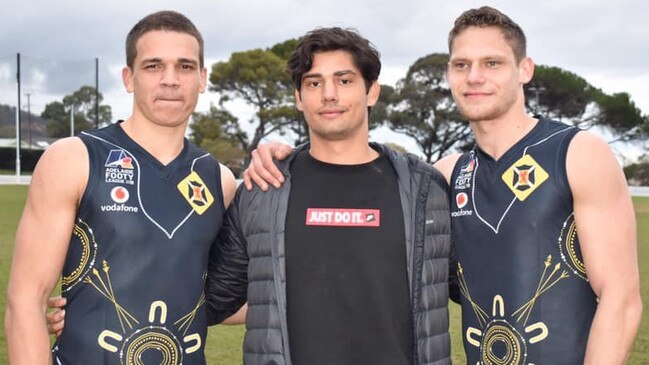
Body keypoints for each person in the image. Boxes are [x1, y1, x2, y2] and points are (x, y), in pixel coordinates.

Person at [244, 6, 642, 364]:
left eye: (492, 63)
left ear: (525, 69)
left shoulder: (577, 153)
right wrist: (281, 155)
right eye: (461, 64)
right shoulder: (445, 177)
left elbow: (621, 300)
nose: (474, 77)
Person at [204, 27, 454, 364]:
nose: (329, 95)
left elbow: (475, 285)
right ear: (298, 97)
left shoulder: (426, 190)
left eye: (345, 80)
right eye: (314, 83)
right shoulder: (264, 190)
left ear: (372, 92)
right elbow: (215, 300)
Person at [5, 10, 237, 364]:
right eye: (153, 66)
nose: (170, 80)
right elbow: (26, 298)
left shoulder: (218, 180)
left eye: (185, 67)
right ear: (129, 78)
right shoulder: (74, 159)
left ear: (203, 79)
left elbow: (220, 298)